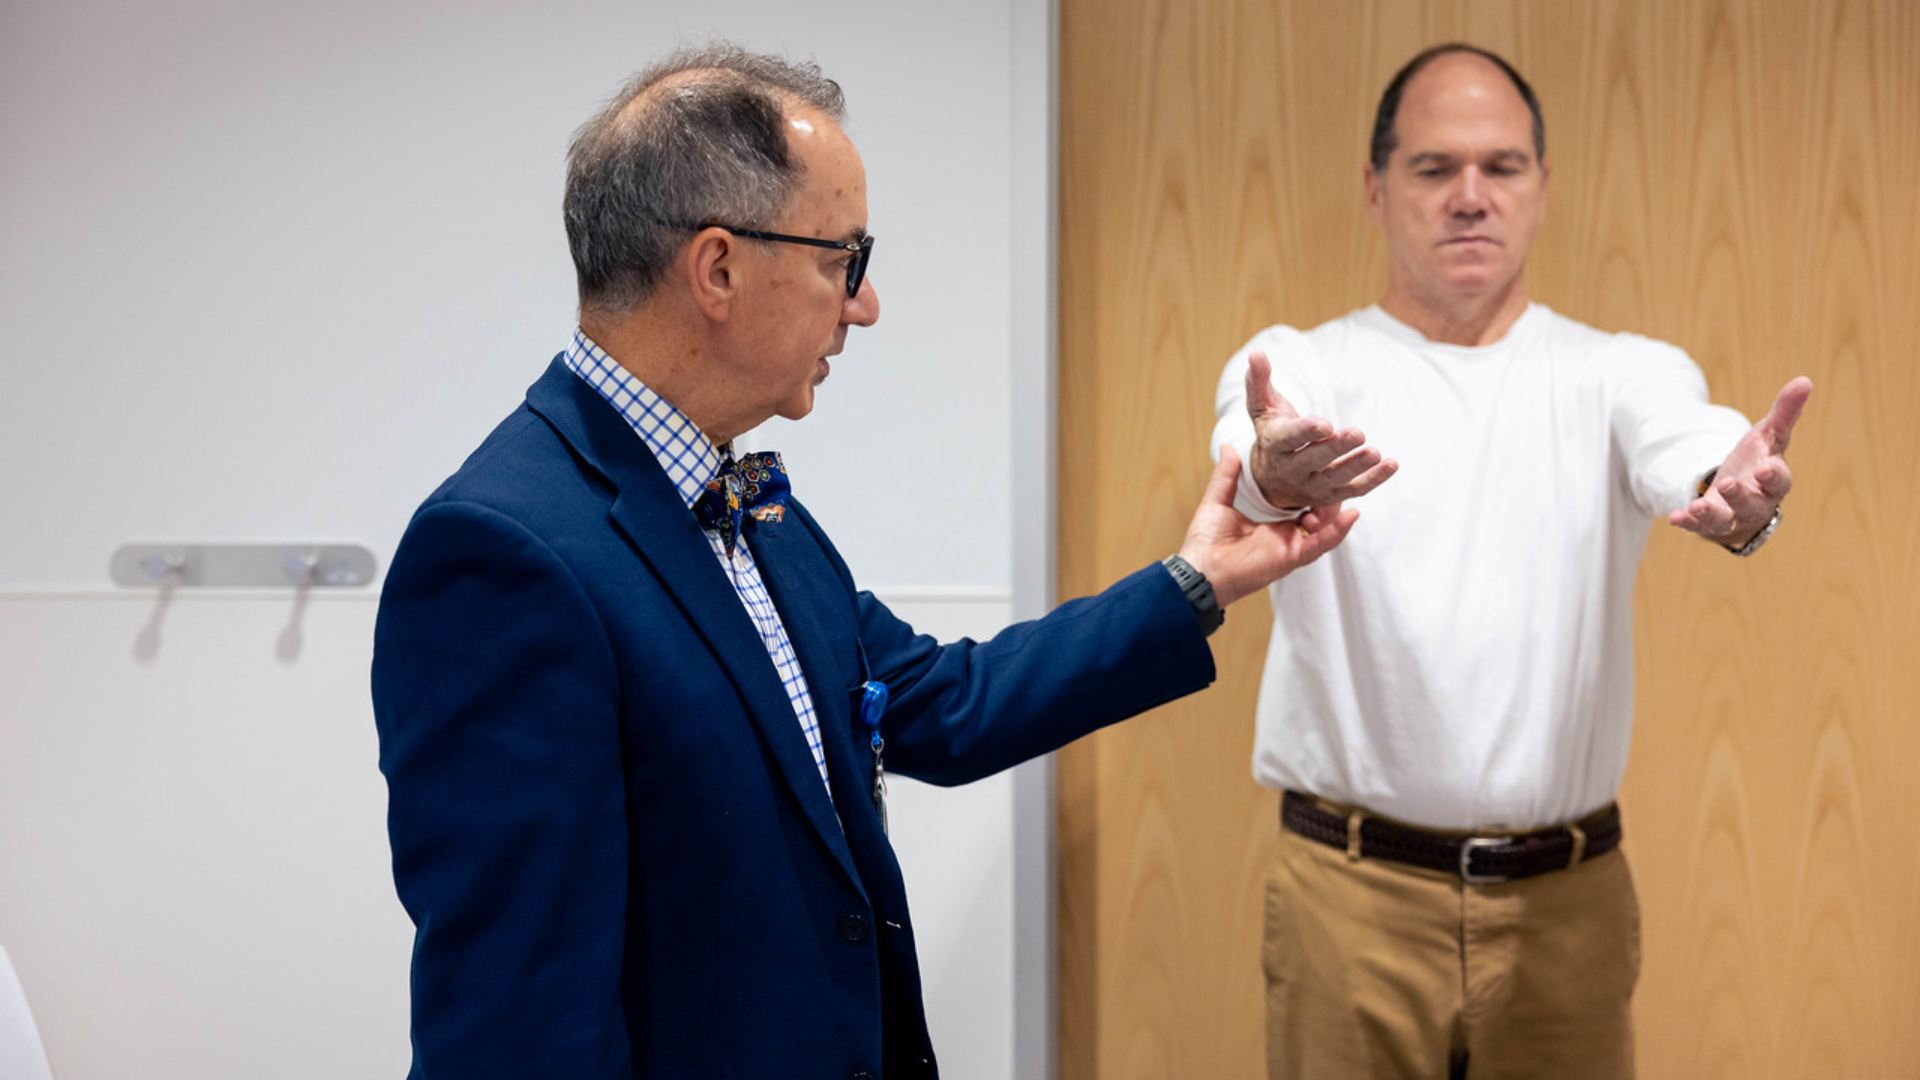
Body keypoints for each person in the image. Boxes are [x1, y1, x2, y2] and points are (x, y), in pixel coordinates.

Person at [372, 43, 1356, 1080]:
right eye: (844, 257)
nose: (865, 303)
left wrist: (1196, 582)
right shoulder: (503, 553)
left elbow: (937, 702)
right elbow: (516, 1025)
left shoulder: (740, 498)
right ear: (718, 268)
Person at [1211, 43, 1812, 1080]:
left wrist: (1729, 487)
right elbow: (1254, 459)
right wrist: (1270, 474)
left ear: (1541, 186)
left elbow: (1685, 442)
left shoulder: (1618, 373)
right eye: (1434, 167)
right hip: (1349, 901)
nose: (1470, 196)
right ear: (1376, 188)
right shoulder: (1301, 366)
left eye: (1502, 166)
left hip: (1564, 906)